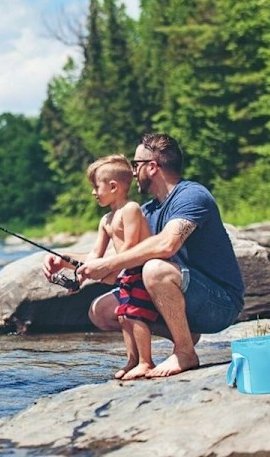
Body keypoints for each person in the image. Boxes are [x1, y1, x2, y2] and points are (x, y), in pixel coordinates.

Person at [77, 133, 245, 378]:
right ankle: (184, 333)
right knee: (101, 310)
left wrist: (109, 265)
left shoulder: (192, 195)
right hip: (186, 296)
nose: (133, 172)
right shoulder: (148, 210)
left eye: (136, 165)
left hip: (220, 303)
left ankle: (185, 352)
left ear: (152, 167)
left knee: (155, 269)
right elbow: (119, 254)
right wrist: (65, 261)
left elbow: (167, 244)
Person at [43, 154, 160, 380]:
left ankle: (146, 362)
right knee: (124, 316)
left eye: (96, 187)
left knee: (136, 316)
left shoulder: (131, 209)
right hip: (125, 274)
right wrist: (78, 279)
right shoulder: (105, 220)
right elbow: (95, 255)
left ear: (114, 186)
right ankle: (132, 360)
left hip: (139, 271)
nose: (93, 192)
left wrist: (111, 270)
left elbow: (131, 245)